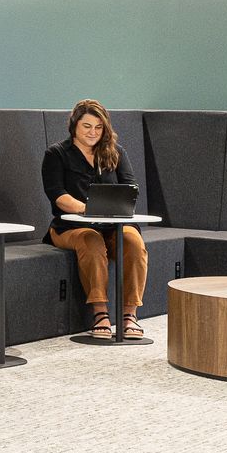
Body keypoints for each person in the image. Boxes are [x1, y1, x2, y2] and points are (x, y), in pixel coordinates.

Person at [43, 99, 147, 341]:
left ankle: (130, 315)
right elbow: (58, 195)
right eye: (87, 126)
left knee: (133, 242)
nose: (93, 132)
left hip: (113, 225)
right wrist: (88, 210)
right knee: (91, 241)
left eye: (98, 127)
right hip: (71, 227)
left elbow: (130, 188)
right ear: (74, 126)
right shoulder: (56, 154)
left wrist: (111, 209)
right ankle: (100, 313)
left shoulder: (116, 152)